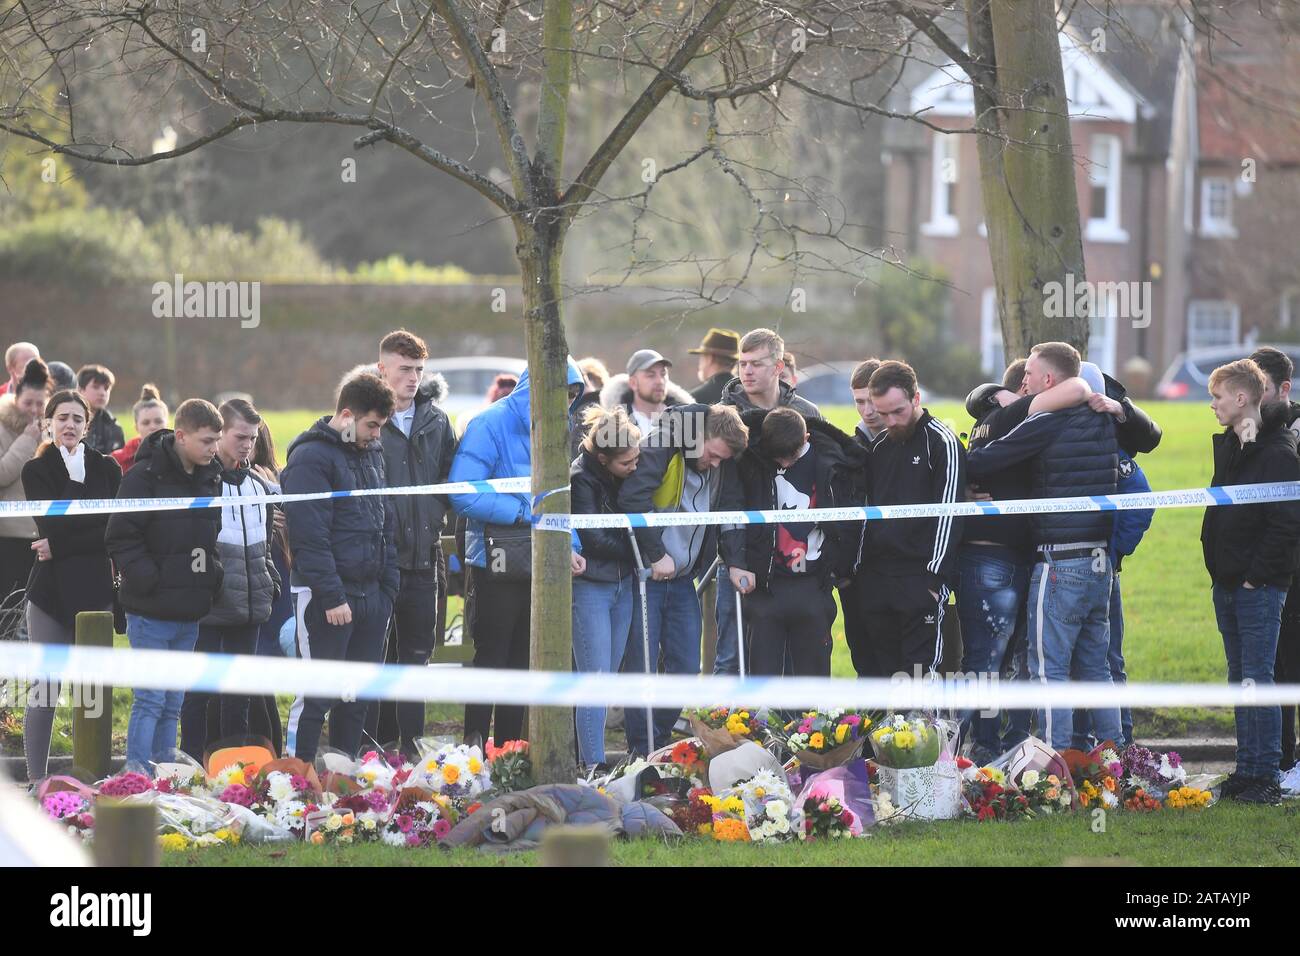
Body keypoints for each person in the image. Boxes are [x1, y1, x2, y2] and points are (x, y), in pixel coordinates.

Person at [966, 342, 1120, 753]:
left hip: (1060, 559)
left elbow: (986, 460)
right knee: (1095, 667)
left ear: (1048, 379)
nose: (1024, 382)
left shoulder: (1049, 420)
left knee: (1048, 669)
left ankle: (1056, 762)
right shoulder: (1105, 419)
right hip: (1099, 560)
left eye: (1029, 375)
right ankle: (1117, 760)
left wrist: (971, 450)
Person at [448, 359, 587, 748]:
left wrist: (572, 543)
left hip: (541, 565)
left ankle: (508, 752)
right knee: (491, 658)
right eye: (562, 393)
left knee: (523, 662)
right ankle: (470, 752)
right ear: (539, 386)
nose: (568, 402)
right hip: (493, 563)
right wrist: (527, 515)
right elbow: (462, 492)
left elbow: (560, 501)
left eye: (574, 396)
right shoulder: (488, 423)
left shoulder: (559, 431)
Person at [618, 402, 750, 754]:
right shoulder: (660, 445)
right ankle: (640, 750)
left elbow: (730, 509)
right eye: (713, 455)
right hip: (645, 577)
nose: (715, 463)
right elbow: (632, 499)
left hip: (682, 581)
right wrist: (655, 554)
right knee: (641, 669)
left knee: (687, 667)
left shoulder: (720, 464)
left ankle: (657, 742)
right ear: (699, 438)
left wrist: (735, 561)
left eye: (722, 459)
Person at [281, 373, 399, 762]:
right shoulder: (309, 458)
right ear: (347, 415)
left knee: (356, 695)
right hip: (325, 598)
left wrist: (387, 591)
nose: (377, 435)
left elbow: (387, 522)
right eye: (372, 425)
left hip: (371, 596)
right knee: (317, 695)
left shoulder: (373, 453)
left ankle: (343, 777)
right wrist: (332, 596)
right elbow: (308, 536)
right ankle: (295, 785)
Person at [106, 399, 225, 772]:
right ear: (181, 436)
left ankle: (164, 776)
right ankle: (137, 774)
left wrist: (211, 576)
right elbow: (120, 536)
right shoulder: (142, 477)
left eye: (216, 441)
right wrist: (149, 580)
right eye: (206, 441)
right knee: (151, 698)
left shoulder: (211, 476)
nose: (213, 449)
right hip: (150, 610)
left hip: (189, 609)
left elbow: (211, 534)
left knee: (174, 700)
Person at [1202, 359, 1300, 805]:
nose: (1212, 406)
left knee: (1258, 677)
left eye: (1217, 398)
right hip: (1226, 581)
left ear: (1242, 399)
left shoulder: (1279, 454)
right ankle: (1246, 768)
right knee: (1239, 676)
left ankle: (1267, 773)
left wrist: (1255, 577)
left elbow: (1285, 525)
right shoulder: (1229, 446)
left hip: (1258, 587)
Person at [21, 388, 121, 782]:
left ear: (87, 425)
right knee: (45, 691)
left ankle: (90, 778)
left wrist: (59, 545)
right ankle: (35, 779)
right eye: (62, 417)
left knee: (91, 692)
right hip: (50, 595)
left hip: (95, 595)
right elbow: (51, 524)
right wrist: (76, 484)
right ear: (49, 423)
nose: (69, 425)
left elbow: (112, 531)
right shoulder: (36, 470)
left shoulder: (108, 468)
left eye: (77, 419)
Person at [367, 329, 458, 757]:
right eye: (405, 369)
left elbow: (449, 478)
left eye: (419, 370)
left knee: (417, 658)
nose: (413, 378)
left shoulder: (437, 421)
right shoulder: (363, 419)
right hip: (377, 560)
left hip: (425, 558)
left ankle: (412, 749)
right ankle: (371, 751)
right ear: (382, 369)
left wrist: (438, 514)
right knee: (375, 659)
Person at [179, 399, 281, 763]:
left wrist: (269, 577)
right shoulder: (199, 485)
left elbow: (267, 542)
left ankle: (234, 767)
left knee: (241, 693)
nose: (247, 445)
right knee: (199, 692)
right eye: (240, 436)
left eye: (253, 438)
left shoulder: (258, 485)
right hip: (209, 607)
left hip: (250, 605)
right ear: (221, 434)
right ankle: (191, 765)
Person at [714, 328, 821, 675]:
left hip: (795, 555)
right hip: (739, 549)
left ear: (778, 367)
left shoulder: (808, 413)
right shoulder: (722, 416)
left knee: (790, 657)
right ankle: (722, 730)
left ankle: (791, 731)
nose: (746, 371)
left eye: (756, 364)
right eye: (742, 363)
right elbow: (724, 494)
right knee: (732, 654)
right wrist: (733, 558)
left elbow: (824, 485)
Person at [734, 407, 866, 676]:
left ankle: (811, 720)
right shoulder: (752, 459)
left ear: (806, 437)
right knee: (762, 681)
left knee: (813, 681)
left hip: (813, 584)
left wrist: (839, 569)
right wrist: (737, 560)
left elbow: (851, 520)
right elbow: (733, 510)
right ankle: (761, 720)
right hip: (765, 585)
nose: (783, 464)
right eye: (777, 458)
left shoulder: (835, 462)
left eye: (790, 457)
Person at [856, 360, 965, 678]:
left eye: (897, 411)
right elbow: (868, 514)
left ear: (916, 398)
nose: (890, 420)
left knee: (919, 673)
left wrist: (934, 579)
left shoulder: (942, 443)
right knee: (883, 671)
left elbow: (950, 513)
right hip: (878, 579)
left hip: (921, 578)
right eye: (882, 413)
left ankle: (924, 729)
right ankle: (885, 729)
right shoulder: (878, 448)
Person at [1072, 363, 1154, 750]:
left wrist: (1115, 550)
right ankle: (1079, 743)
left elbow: (1141, 501)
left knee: (1107, 661)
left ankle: (1121, 746)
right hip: (1064, 565)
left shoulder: (1111, 443)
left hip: (1102, 568)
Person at [570, 405, 641, 769]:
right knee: (593, 682)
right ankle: (593, 765)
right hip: (593, 587)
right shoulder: (581, 479)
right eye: (626, 463)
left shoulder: (620, 476)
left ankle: (588, 757)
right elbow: (593, 538)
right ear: (602, 458)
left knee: (606, 678)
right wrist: (638, 551)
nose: (634, 468)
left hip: (621, 585)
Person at [1250, 345, 1300, 772]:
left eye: (1259, 388)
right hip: (1271, 566)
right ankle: (1282, 759)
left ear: (1283, 389)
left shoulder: (1291, 435)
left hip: (1290, 561)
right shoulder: (1248, 432)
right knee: (1277, 663)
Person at [839, 358, 883, 678]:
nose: (867, 410)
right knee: (863, 655)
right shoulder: (845, 450)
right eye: (859, 402)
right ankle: (868, 726)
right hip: (855, 572)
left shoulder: (919, 443)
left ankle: (909, 728)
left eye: (872, 400)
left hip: (900, 569)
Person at [0, 359, 49, 603]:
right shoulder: (2, 427)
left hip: (40, 534)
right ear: (16, 399)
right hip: (8, 534)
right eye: (28, 402)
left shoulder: (51, 430)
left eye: (40, 404)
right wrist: (27, 440)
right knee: (8, 607)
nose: (34, 409)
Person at [600, 349, 692, 436]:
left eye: (663, 374)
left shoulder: (684, 418)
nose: (660, 381)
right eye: (651, 375)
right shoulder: (616, 425)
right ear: (633, 383)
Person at [112, 385, 169, 474]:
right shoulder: (117, 460)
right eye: (146, 423)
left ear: (167, 424)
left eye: (158, 421)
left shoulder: (181, 457)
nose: (153, 427)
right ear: (136, 428)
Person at [77, 364, 125, 455]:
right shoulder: (66, 422)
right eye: (96, 387)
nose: (102, 393)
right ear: (80, 390)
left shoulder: (114, 428)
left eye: (106, 388)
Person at [689, 328, 740, 405]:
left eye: (702, 357)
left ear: (709, 358)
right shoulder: (748, 393)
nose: (700, 364)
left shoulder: (693, 399)